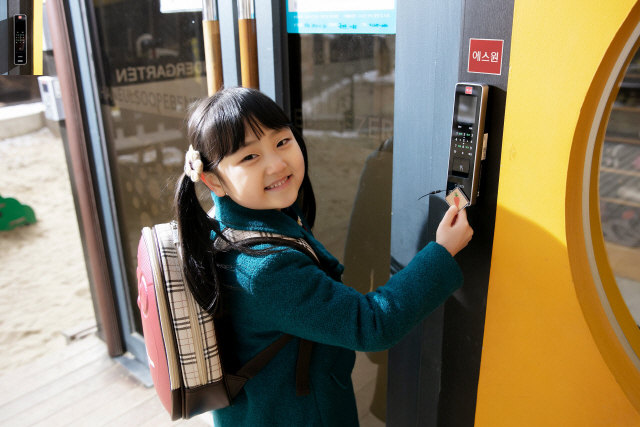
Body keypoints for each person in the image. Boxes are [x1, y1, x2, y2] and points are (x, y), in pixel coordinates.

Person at [175, 87, 473, 427]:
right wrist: (442, 252)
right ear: (213, 180)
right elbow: (371, 323)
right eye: (249, 157)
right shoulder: (265, 268)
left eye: (281, 141)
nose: (277, 163)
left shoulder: (226, 222)